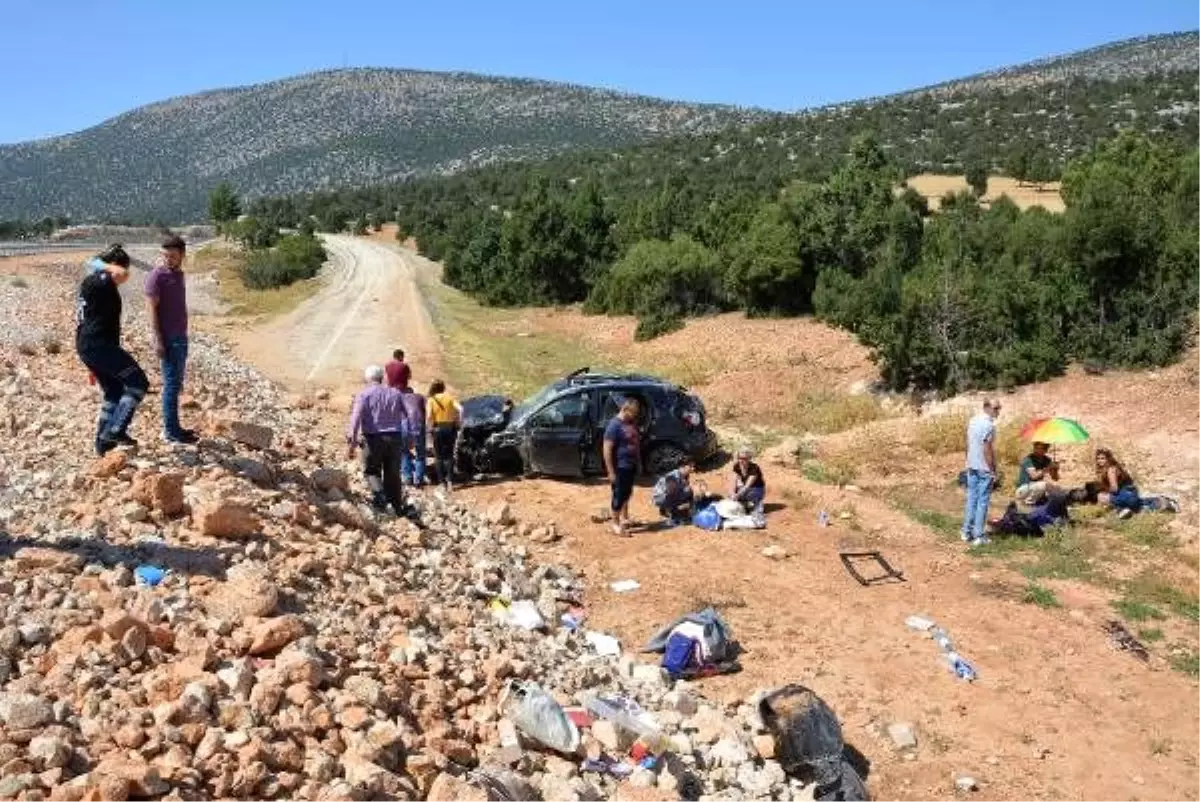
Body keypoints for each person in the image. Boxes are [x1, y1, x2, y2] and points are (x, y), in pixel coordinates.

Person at [75, 245, 149, 455]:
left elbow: (86, 321)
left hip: (91, 346)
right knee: (138, 383)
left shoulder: (93, 285)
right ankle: (115, 430)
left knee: (114, 390)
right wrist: (101, 262)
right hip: (97, 345)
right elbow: (122, 273)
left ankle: (103, 444)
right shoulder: (99, 280)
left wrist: (92, 363)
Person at [145, 234, 197, 444]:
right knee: (171, 384)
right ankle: (170, 431)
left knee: (176, 384)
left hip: (181, 336)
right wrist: (157, 338)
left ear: (182, 255)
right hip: (167, 338)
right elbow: (150, 308)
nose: (168, 259)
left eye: (173, 255)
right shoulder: (156, 276)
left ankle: (175, 427)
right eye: (165, 255)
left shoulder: (179, 275)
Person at [346, 365, 409, 516]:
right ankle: (396, 507)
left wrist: (352, 442)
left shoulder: (363, 395)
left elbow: (355, 419)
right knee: (393, 473)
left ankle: (381, 501)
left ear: (367, 379)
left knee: (372, 471)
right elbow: (408, 415)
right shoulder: (395, 393)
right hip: (395, 438)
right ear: (382, 378)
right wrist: (410, 437)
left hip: (373, 439)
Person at [961, 398, 1001, 546]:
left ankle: (966, 531)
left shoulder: (973, 421)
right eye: (996, 408)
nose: (998, 411)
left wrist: (968, 461)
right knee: (982, 502)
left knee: (971, 499)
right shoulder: (989, 425)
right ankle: (978, 535)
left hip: (972, 466)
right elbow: (987, 449)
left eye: (999, 408)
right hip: (984, 468)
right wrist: (993, 470)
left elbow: (968, 443)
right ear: (987, 407)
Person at [603, 398, 641, 537]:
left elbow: (635, 443)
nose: (635, 416)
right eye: (633, 413)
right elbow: (607, 449)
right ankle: (615, 524)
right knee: (619, 495)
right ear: (625, 410)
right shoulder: (614, 425)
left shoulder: (630, 422)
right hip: (619, 466)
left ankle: (625, 518)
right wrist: (610, 472)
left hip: (630, 465)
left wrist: (639, 462)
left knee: (627, 493)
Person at [426, 380, 462, 492]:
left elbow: (429, 416)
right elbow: (461, 409)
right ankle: (450, 481)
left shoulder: (431, 400)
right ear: (443, 388)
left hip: (437, 428)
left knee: (439, 456)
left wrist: (429, 428)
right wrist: (458, 422)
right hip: (450, 428)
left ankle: (442, 483)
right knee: (449, 455)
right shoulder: (450, 398)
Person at [653, 458, 703, 525]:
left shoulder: (685, 475)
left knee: (689, 492)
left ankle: (671, 511)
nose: (693, 469)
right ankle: (670, 513)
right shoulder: (673, 476)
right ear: (682, 466)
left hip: (669, 495)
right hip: (661, 498)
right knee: (688, 491)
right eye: (690, 466)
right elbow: (670, 493)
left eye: (693, 466)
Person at [399, 384, 427, 487]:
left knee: (404, 451)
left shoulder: (399, 398)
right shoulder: (420, 397)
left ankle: (407, 477)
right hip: (418, 426)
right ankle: (418, 479)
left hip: (404, 427)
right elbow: (427, 411)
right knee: (420, 453)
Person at [730, 446, 766, 515]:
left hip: (757, 489)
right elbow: (733, 481)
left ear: (749, 458)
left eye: (744, 459)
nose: (741, 461)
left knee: (745, 494)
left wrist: (737, 495)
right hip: (746, 488)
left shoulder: (754, 468)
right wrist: (732, 493)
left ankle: (758, 503)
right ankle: (746, 504)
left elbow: (747, 486)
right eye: (739, 458)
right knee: (732, 493)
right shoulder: (736, 466)